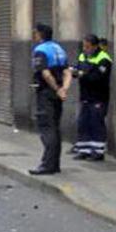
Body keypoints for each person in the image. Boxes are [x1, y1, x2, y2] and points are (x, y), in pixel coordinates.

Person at [29, 24, 72, 176]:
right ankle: (55, 164)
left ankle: (47, 165)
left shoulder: (40, 50)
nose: (33, 35)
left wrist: (56, 89)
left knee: (47, 128)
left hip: (46, 93)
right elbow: (67, 72)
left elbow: (46, 74)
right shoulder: (59, 48)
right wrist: (63, 89)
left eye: (35, 32)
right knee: (55, 127)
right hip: (57, 94)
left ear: (40, 34)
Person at [71, 34, 112, 160]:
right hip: (85, 96)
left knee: (96, 123)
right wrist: (76, 72)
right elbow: (76, 70)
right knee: (83, 123)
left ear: (95, 46)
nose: (85, 49)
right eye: (84, 46)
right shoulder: (83, 55)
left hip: (98, 97)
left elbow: (97, 78)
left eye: (87, 46)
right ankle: (84, 150)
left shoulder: (104, 59)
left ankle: (98, 152)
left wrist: (82, 74)